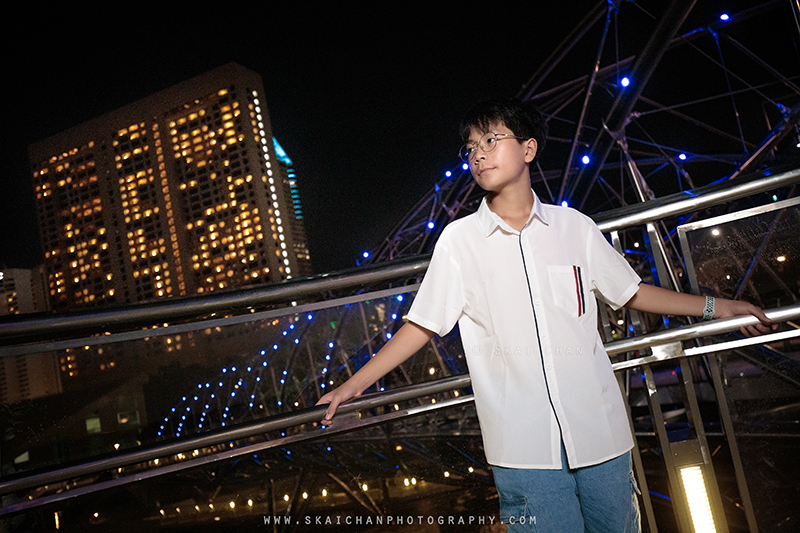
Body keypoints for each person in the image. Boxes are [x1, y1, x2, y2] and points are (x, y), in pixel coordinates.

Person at [317, 97, 776, 532]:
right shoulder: (459, 242)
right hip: (523, 450)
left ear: (528, 149)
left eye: (491, 140)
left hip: (601, 434)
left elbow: (633, 292)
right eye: (471, 147)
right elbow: (422, 326)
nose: (478, 155)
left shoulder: (574, 226)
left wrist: (719, 307)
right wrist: (352, 386)